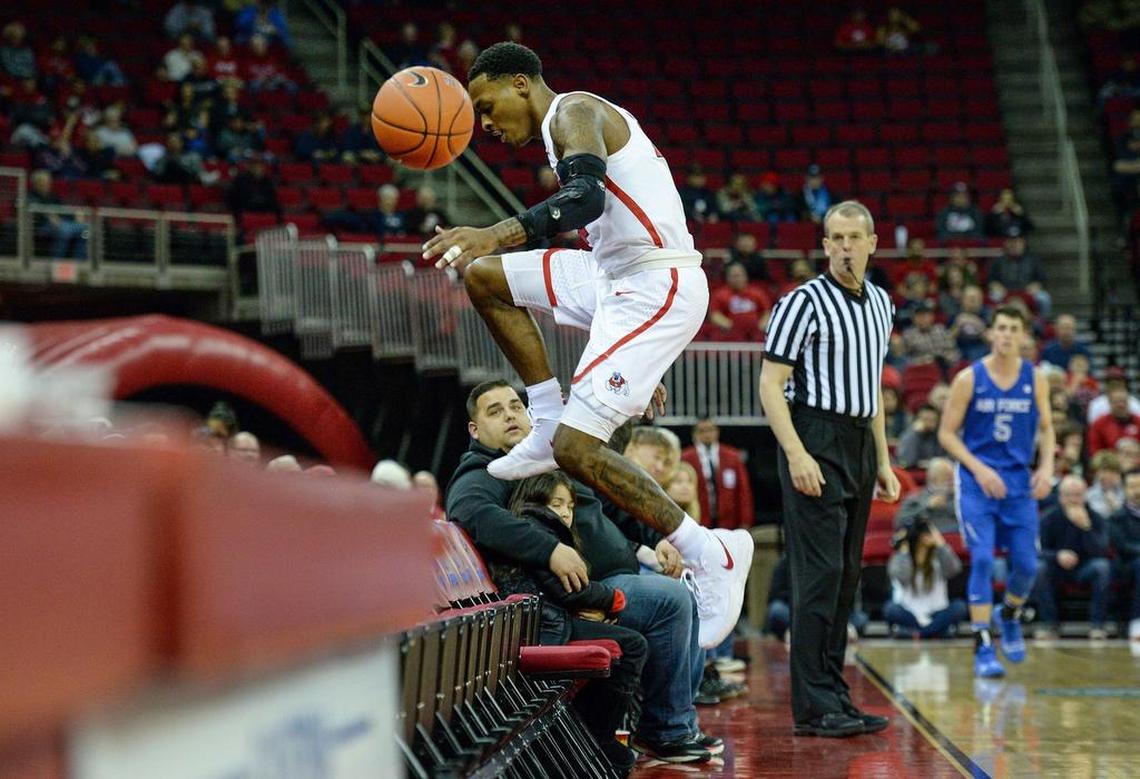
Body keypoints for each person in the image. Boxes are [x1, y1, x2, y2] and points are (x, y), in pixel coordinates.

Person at [423, 42, 754, 649]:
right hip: (611, 275)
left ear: (521, 82)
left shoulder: (574, 111)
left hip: (657, 280)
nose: (486, 124)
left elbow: (585, 199)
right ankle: (545, 416)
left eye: (487, 105)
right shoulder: (560, 128)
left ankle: (713, 553)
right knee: (486, 278)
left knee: (579, 450)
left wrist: (492, 231)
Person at [446, 381, 716, 763]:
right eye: (495, 411)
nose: (509, 415)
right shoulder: (485, 470)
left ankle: (678, 725)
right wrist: (551, 549)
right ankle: (664, 730)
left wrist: (659, 537)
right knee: (670, 601)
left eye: (515, 407)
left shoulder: (548, 456)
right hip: (569, 594)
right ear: (475, 431)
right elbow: (472, 513)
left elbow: (613, 504)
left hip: (606, 579)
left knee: (685, 594)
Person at [758, 200, 899, 738]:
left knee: (845, 578)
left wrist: (883, 461)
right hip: (814, 434)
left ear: (871, 242)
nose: (843, 246)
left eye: (852, 237)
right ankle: (814, 705)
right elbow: (771, 385)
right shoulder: (803, 302)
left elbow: (875, 389)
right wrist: (796, 453)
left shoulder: (882, 304)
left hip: (859, 440)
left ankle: (834, 692)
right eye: (834, 238)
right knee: (818, 576)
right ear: (824, 246)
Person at [937, 305, 1054, 678]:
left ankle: (1010, 614)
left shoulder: (1035, 378)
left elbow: (1049, 428)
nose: (1005, 334)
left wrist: (1047, 467)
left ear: (1023, 336)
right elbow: (946, 434)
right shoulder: (969, 379)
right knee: (983, 560)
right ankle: (983, 643)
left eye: (1012, 329)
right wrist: (979, 468)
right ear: (991, 334)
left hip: (1018, 482)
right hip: (977, 481)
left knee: (1027, 565)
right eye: (1000, 327)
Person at [503, 471, 647, 774]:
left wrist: (593, 604)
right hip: (540, 625)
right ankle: (594, 739)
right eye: (557, 503)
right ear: (536, 499)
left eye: (569, 505)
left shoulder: (544, 527)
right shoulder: (534, 527)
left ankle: (587, 738)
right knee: (633, 645)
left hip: (550, 619)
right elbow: (566, 589)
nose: (566, 512)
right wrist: (612, 599)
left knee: (627, 643)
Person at [1033, 476, 1111, 640]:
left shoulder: (1095, 517)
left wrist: (1086, 528)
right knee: (1039, 569)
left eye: (1078, 495)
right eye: (1069, 495)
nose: (1074, 500)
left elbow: (1101, 550)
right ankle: (1050, 625)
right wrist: (1058, 555)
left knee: (1102, 567)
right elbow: (1039, 550)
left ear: (1085, 496)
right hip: (1056, 567)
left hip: (1085, 566)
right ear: (1061, 497)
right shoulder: (1049, 517)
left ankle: (1097, 626)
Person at [884, 519, 968, 638]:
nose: (924, 538)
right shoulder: (901, 557)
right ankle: (936, 631)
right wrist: (903, 549)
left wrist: (941, 543)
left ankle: (916, 633)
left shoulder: (938, 555)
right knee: (890, 609)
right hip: (909, 613)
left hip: (937, 612)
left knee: (959, 607)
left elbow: (954, 569)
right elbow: (901, 577)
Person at [681, 417, 754, 531]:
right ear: (694, 435)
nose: (707, 434)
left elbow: (743, 490)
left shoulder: (733, 457)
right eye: (702, 431)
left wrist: (745, 520)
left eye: (710, 430)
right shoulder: (685, 458)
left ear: (717, 432)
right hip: (698, 519)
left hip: (728, 520)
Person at [1109, 468, 1140, 641]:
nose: (1137, 491)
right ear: (1125, 489)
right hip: (1126, 566)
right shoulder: (1117, 517)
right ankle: (1137, 622)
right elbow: (1122, 546)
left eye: (1139, 486)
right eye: (1132, 487)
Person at [707, 261, 771, 341]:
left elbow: (767, 313)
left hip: (755, 333)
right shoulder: (720, 295)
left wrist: (759, 328)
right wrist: (731, 327)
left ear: (745, 276)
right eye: (733, 276)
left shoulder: (757, 293)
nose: (737, 279)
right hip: (730, 334)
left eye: (739, 275)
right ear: (727, 277)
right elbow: (714, 315)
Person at [895, 457, 958, 533]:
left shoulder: (960, 499)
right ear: (933, 478)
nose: (952, 480)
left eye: (953, 476)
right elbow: (900, 523)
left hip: (955, 537)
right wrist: (927, 507)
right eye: (947, 476)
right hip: (926, 540)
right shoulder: (915, 498)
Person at [1086, 385, 1140, 455]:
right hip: (1110, 464)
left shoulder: (1138, 422)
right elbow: (1094, 451)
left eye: (1123, 401)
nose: (1121, 405)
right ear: (1110, 403)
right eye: (1117, 402)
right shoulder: (1099, 425)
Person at [897, 404, 947, 470]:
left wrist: (931, 463)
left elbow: (949, 459)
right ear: (917, 420)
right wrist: (914, 433)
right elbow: (906, 461)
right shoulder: (909, 435)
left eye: (932, 420)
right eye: (925, 419)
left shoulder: (942, 436)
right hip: (913, 471)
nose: (929, 423)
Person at [1087, 451, 1125, 517]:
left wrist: (1116, 507)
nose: (1101, 476)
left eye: (1106, 471)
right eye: (1099, 471)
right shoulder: (1089, 495)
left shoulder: (1127, 492)